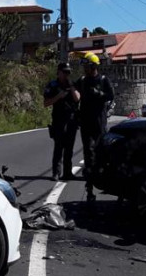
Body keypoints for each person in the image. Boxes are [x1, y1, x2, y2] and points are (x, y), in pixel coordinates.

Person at [74, 52, 114, 203]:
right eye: (84, 66)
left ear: (94, 66)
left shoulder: (103, 80)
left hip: (99, 122)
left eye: (87, 66)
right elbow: (74, 90)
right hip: (85, 122)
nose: (85, 69)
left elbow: (111, 96)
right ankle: (89, 187)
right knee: (88, 153)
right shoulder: (83, 80)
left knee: (100, 152)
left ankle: (101, 178)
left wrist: (99, 94)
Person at [43, 62, 80, 181]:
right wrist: (58, 96)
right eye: (64, 72)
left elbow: (77, 98)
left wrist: (72, 87)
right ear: (58, 72)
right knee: (58, 147)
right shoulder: (53, 85)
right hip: (58, 119)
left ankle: (67, 172)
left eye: (68, 72)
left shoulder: (72, 84)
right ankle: (56, 172)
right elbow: (46, 103)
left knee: (69, 148)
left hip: (72, 120)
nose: (66, 74)